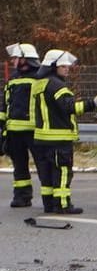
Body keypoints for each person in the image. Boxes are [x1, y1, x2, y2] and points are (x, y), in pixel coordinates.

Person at [32, 50, 97, 214]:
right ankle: (63, 205)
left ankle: (49, 204)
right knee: (63, 171)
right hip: (59, 138)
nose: (67, 69)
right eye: (63, 66)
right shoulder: (57, 85)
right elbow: (70, 107)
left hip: (41, 139)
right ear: (53, 67)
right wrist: (93, 103)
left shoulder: (39, 84)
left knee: (46, 175)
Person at [4, 43, 41, 208]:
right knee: (19, 167)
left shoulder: (40, 77)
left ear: (25, 59)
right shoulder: (13, 78)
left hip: (35, 131)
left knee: (43, 164)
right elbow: (5, 104)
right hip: (14, 131)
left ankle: (52, 197)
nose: (13, 60)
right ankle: (22, 197)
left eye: (15, 57)